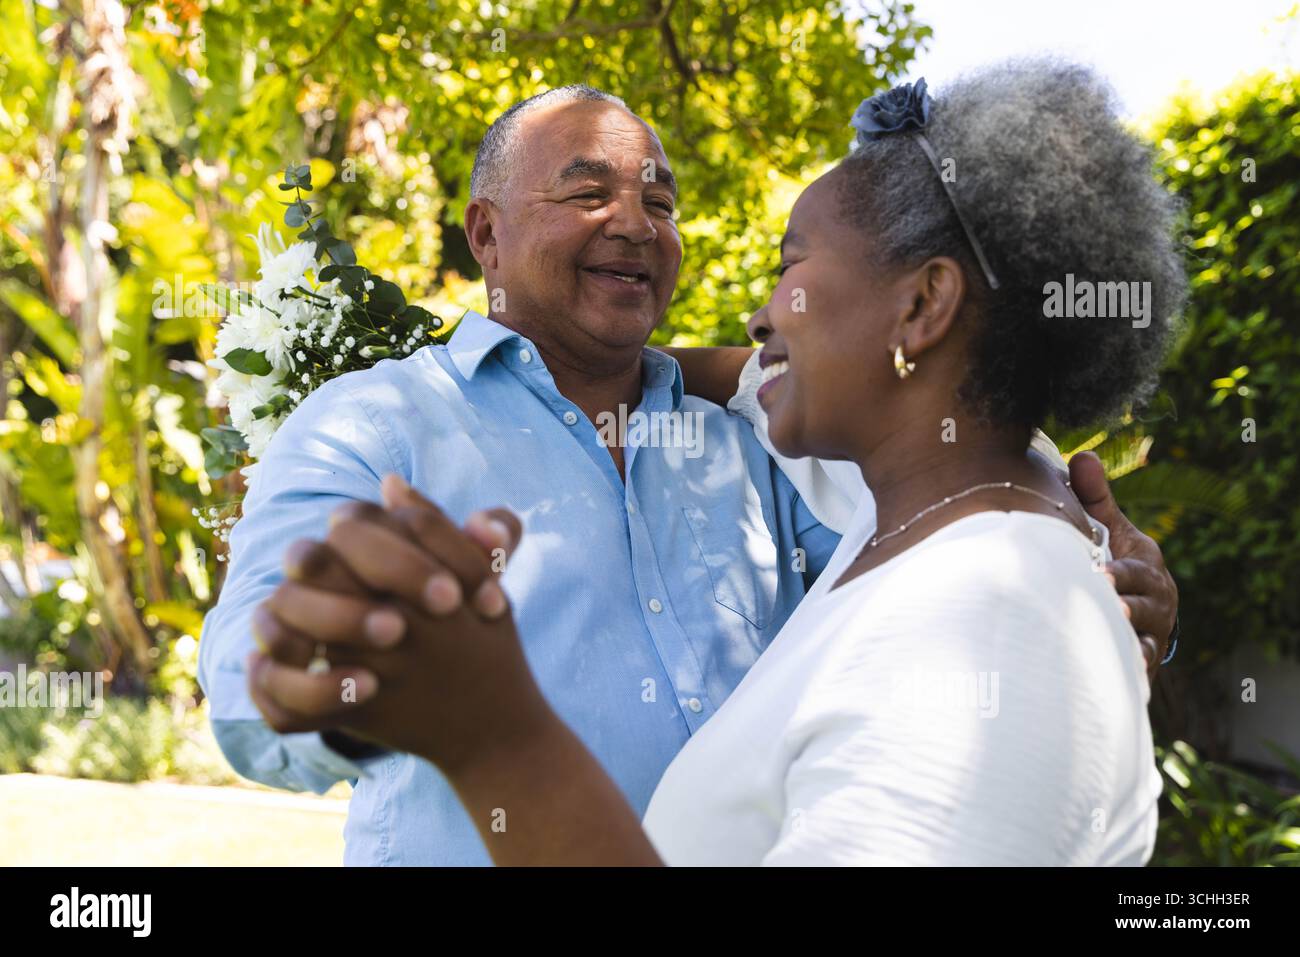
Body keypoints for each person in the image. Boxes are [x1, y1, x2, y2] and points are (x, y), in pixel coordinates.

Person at [207, 74, 1179, 865]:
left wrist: (1093, 569)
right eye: (588, 192)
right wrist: (350, 677)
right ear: (486, 235)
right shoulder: (378, 423)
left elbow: (955, 478)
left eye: (659, 202)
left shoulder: (763, 443)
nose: (635, 223)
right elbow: (248, 691)